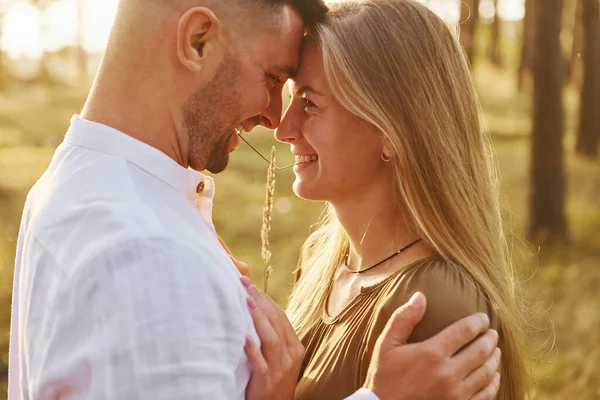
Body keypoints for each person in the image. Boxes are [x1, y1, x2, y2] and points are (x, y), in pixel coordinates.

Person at [8, 0, 500, 399]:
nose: (276, 123)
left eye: (306, 101)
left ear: (392, 128)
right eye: (274, 79)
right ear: (197, 40)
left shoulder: (66, 189)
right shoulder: (150, 253)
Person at [266, 0, 524, 399]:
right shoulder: (323, 261)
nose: (283, 129)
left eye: (309, 103)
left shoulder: (434, 304)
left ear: (390, 129)